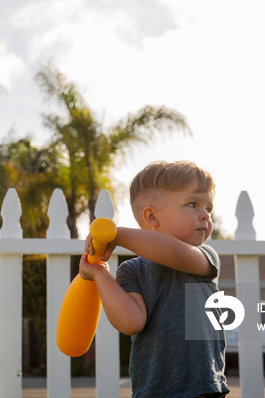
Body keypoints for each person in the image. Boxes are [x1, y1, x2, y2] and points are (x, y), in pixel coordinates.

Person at [80, 161, 230, 397]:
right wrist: (100, 273)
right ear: (151, 216)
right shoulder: (132, 271)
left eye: (208, 208)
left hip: (202, 388)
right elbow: (131, 323)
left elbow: (173, 253)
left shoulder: (204, 258)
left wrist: (117, 234)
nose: (205, 215)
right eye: (193, 204)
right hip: (153, 389)